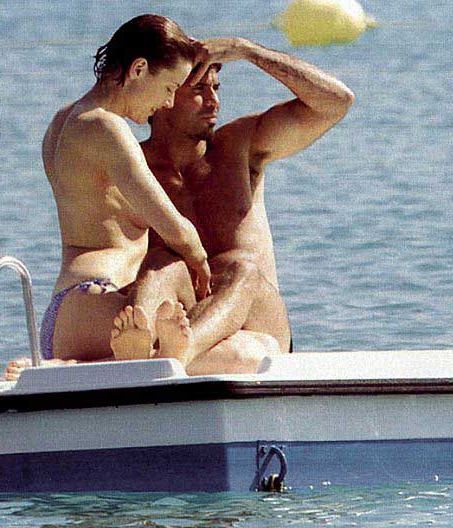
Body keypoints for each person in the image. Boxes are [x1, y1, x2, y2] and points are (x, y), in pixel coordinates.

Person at [110, 37, 354, 373]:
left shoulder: (240, 146)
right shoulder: (131, 167)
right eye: (200, 89)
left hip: (256, 315)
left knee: (243, 268)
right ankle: (140, 345)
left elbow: (337, 102)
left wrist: (249, 51)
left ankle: (179, 351)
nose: (214, 102)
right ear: (164, 95)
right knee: (159, 263)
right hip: (180, 315)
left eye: (216, 88)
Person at [38, 14, 211, 363]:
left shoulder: (61, 121)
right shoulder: (106, 126)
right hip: (108, 303)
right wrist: (203, 268)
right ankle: (140, 351)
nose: (168, 103)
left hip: (68, 314)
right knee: (171, 265)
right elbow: (176, 229)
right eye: (169, 88)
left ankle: (73, 362)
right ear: (139, 69)